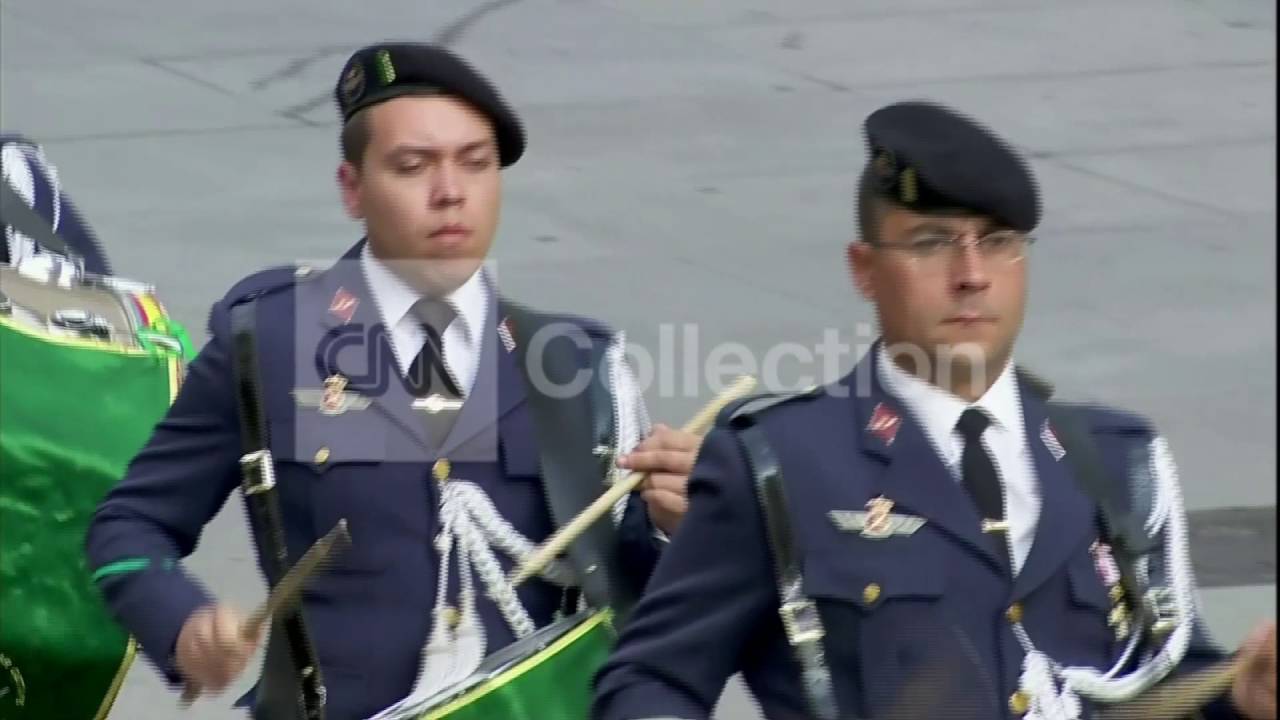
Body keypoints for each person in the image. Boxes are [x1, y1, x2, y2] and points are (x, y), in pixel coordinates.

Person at [591, 100, 1276, 720]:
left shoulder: (1114, 462)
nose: (972, 274)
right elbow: (652, 681)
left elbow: (1160, 683)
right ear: (864, 269)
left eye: (999, 242)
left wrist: (1241, 695)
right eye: (931, 242)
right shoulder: (780, 465)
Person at [84, 42, 700, 719]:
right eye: (413, 166)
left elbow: (641, 598)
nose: (451, 193)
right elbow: (129, 524)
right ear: (353, 188)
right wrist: (182, 624)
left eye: (477, 163)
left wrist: (680, 523)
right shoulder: (272, 342)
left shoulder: (577, 366)